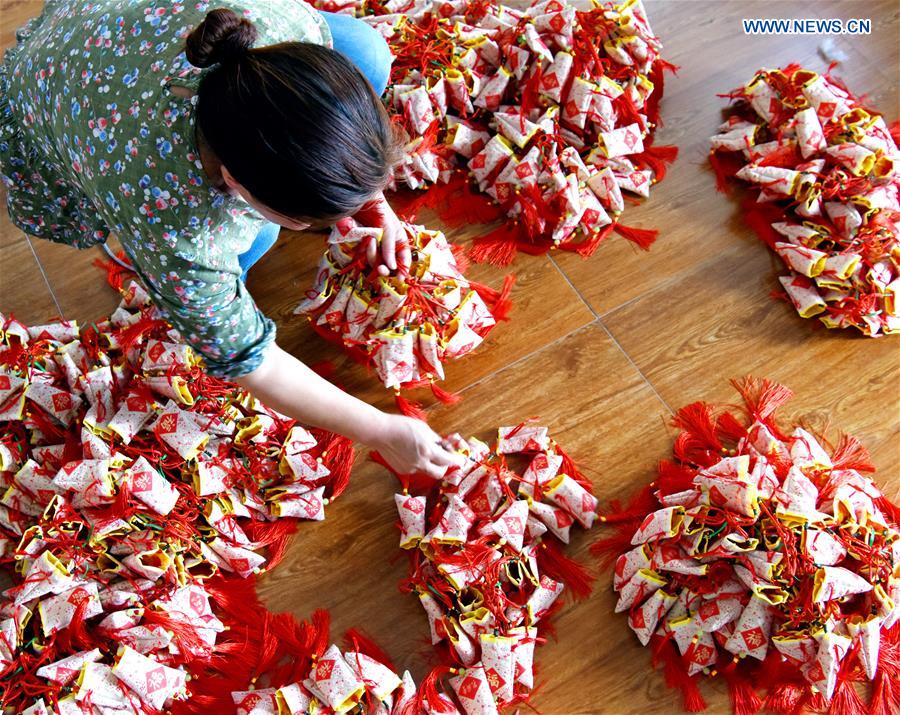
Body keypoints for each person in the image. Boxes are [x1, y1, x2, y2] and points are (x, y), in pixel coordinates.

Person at [0, 0, 463, 478]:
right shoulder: (175, 220)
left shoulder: (282, 31)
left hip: (124, 27)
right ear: (236, 185)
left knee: (366, 51)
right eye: (301, 218)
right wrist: (382, 430)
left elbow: (327, 126)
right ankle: (169, 267)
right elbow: (251, 362)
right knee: (250, 246)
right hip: (60, 83)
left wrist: (370, 201)